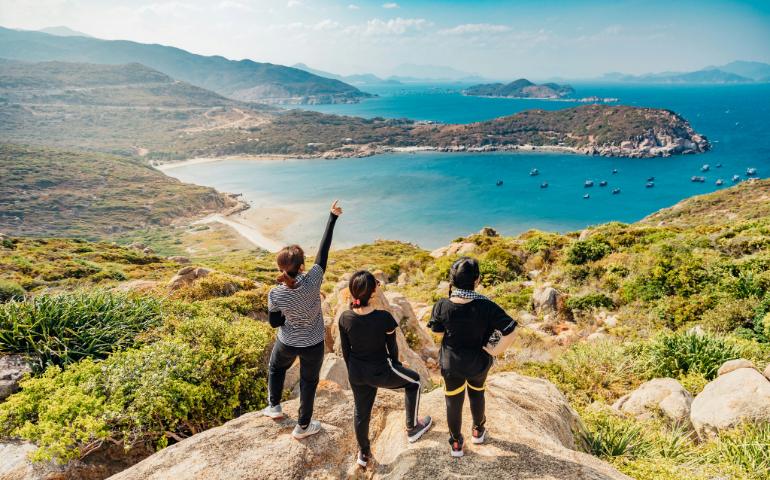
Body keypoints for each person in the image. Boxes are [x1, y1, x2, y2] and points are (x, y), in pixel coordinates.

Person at [260, 201, 342, 440]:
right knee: (308, 382)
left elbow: (274, 323)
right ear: (302, 266)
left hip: (287, 342)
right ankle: (303, 426)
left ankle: (274, 407)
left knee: (276, 368)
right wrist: (332, 217)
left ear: (280, 267)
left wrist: (289, 314)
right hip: (314, 343)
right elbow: (323, 252)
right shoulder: (313, 280)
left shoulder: (275, 293)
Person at [338, 270, 432, 469]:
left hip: (356, 373)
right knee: (414, 381)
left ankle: (363, 453)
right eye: (377, 285)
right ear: (373, 293)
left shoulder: (345, 317)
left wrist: (354, 372)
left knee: (361, 413)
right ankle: (413, 427)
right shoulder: (383, 318)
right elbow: (392, 347)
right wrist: (397, 365)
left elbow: (346, 351)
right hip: (381, 371)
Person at [428, 257, 517, 457]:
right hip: (479, 362)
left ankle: (456, 443)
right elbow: (511, 331)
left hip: (451, 364)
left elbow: (438, 332)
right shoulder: (487, 306)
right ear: (477, 280)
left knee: (453, 401)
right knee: (477, 393)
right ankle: (478, 430)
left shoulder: (442, 305)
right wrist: (494, 351)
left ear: (452, 281)